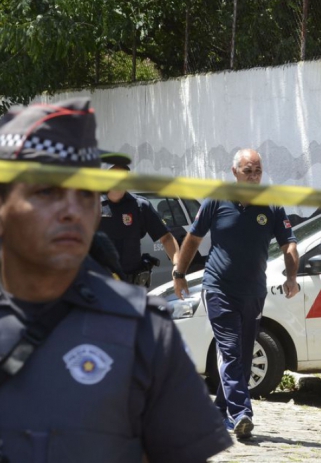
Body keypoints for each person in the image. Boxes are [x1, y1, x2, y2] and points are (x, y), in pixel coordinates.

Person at [0, 98, 232, 463]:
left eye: (85, 193)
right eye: (47, 191)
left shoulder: (145, 333)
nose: (72, 210)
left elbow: (167, 236)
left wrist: (177, 269)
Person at [173, 148, 299, 439]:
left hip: (253, 292)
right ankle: (242, 412)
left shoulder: (272, 207)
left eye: (257, 171)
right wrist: (180, 274)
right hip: (218, 288)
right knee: (229, 350)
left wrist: (292, 275)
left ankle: (220, 413)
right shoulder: (217, 201)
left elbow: (289, 244)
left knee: (243, 356)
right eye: (248, 171)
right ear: (234, 173)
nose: (254, 177)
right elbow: (193, 239)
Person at [99, 161, 180, 287]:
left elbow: (166, 237)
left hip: (133, 287)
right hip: (102, 287)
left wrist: (177, 265)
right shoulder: (91, 206)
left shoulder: (140, 206)